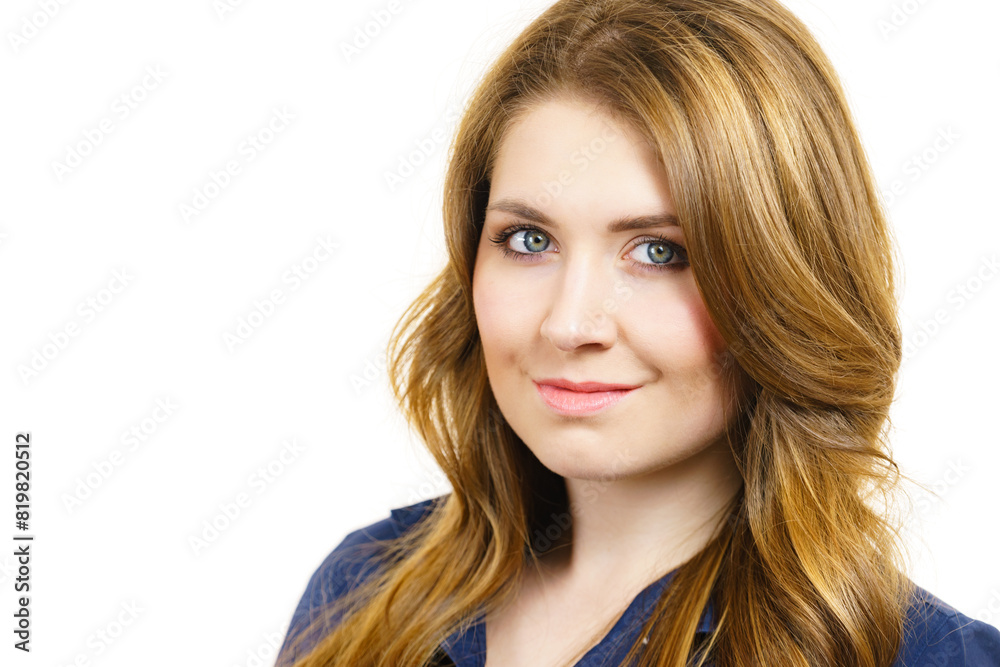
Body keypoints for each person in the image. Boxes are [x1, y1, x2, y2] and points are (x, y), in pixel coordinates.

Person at [276, 0, 1000, 665]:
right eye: (529, 240)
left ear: (785, 285)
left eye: (660, 251)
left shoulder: (925, 655)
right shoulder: (365, 592)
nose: (569, 323)